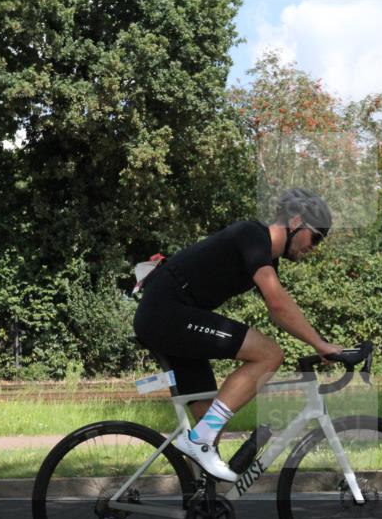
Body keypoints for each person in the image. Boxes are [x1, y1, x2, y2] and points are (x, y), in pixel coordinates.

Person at [133, 188, 343, 482]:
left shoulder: (264, 256)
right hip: (166, 314)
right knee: (269, 354)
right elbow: (278, 303)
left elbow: (279, 312)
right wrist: (321, 344)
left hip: (173, 318)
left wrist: (317, 343)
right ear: (296, 222)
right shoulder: (252, 236)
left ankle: (198, 503)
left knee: (209, 423)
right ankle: (200, 442)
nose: (315, 247)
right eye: (317, 237)